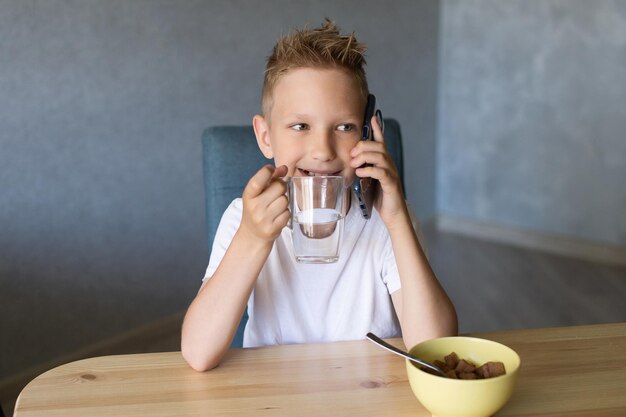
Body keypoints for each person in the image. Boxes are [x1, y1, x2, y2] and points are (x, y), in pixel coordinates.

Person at [181, 20, 457, 371]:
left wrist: (398, 220)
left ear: (368, 135)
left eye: (344, 127)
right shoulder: (242, 220)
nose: (323, 150)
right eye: (300, 126)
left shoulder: (390, 220)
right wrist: (252, 238)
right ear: (266, 137)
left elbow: (436, 348)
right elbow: (197, 353)